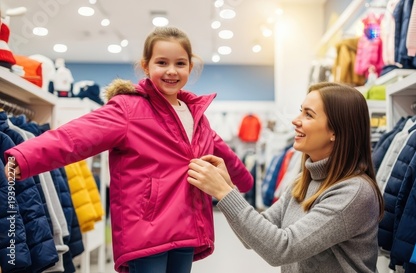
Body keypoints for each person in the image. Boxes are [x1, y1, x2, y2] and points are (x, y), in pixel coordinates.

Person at [4, 26, 253, 273]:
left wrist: (244, 181)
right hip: (147, 231)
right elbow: (75, 137)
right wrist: (25, 157)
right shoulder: (128, 109)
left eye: (180, 63)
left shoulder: (197, 115)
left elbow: (224, 155)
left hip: (188, 228)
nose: (171, 71)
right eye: (162, 62)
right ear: (146, 66)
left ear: (190, 66)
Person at [187, 81, 384, 273]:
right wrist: (228, 184)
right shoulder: (303, 183)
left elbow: (281, 248)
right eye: (301, 111)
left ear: (335, 130)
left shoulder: (353, 192)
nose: (295, 120)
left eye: (308, 115)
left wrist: (224, 192)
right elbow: (253, 238)